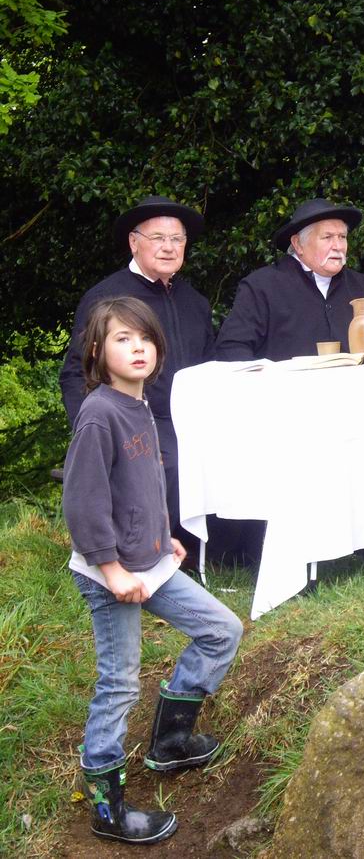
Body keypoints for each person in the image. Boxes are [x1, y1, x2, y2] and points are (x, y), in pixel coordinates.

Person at [62, 296, 243, 845]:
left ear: (158, 350)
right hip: (109, 575)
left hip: (151, 562)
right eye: (122, 339)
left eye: (144, 338)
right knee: (119, 683)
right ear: (97, 352)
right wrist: (113, 570)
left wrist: (164, 538)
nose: (136, 347)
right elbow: (84, 502)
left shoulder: (140, 407)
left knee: (221, 630)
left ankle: (169, 743)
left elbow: (141, 485)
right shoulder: (98, 413)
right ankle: (107, 808)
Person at [59, 195, 215, 549]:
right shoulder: (106, 297)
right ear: (134, 242)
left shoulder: (195, 301)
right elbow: (74, 373)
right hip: (131, 421)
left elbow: (211, 365)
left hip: (195, 421)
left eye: (177, 240)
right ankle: (160, 553)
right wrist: (92, 431)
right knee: (171, 461)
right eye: (157, 238)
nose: (168, 248)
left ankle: (229, 553)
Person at [216, 197, 364, 360]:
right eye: (328, 237)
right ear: (298, 244)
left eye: (342, 237)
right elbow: (231, 348)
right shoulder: (262, 286)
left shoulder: (359, 285)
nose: (338, 246)